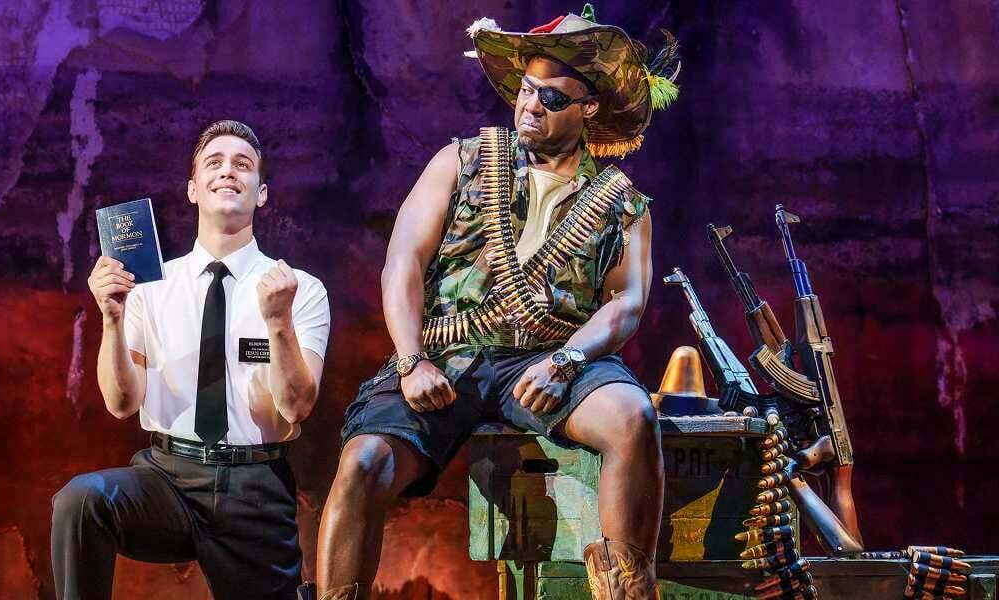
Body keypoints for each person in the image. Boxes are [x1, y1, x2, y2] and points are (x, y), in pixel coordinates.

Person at [306, 6, 680, 600]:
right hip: (448, 354)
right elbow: (403, 261)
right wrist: (410, 360)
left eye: (553, 99)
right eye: (527, 91)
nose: (531, 106)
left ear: (587, 109)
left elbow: (627, 302)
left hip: (550, 359)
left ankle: (630, 592)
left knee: (633, 419)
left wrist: (568, 361)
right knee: (362, 464)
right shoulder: (461, 160)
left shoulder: (620, 201)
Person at [52, 120, 331, 600]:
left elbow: (297, 407)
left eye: (243, 165)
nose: (228, 172)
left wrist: (278, 323)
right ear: (192, 189)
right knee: (81, 502)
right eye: (214, 163)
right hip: (168, 478)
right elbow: (121, 403)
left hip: (254, 487)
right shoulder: (148, 288)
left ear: (261, 193)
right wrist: (113, 319)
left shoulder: (297, 289)